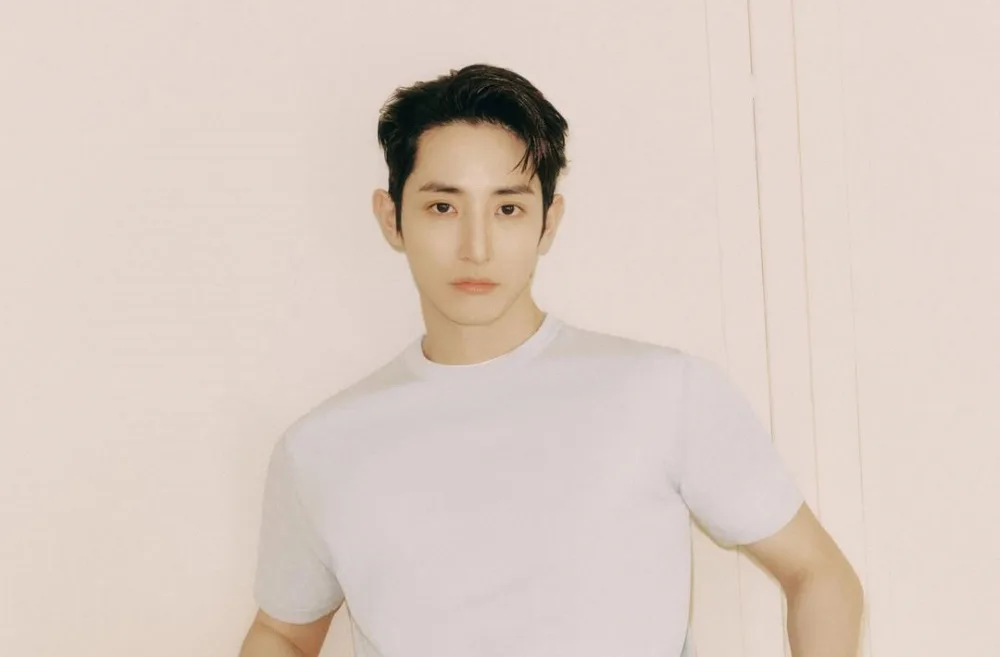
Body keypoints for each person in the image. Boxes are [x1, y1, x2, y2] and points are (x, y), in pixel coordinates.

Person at [238, 64, 864, 657]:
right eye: (443, 207)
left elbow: (819, 574)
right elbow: (282, 634)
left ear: (548, 222)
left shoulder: (661, 392)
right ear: (391, 218)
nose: (476, 247)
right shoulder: (320, 448)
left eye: (507, 208)